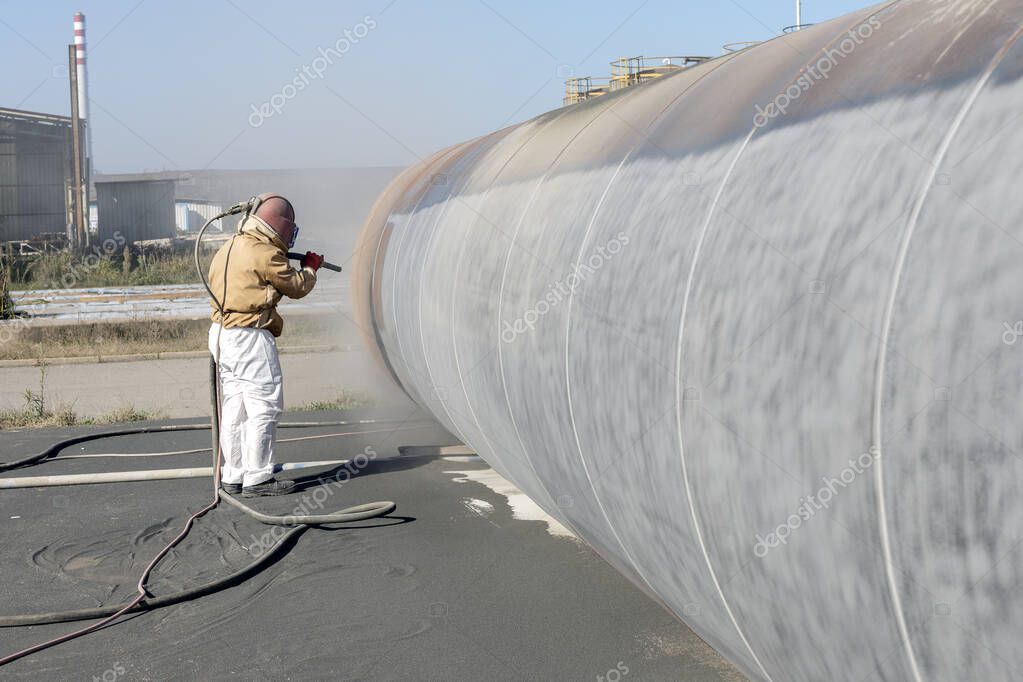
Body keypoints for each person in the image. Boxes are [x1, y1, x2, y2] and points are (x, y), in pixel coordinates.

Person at [206, 193, 324, 497]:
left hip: (221, 335)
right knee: (264, 404)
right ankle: (258, 477)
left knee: (235, 407)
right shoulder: (263, 252)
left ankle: (234, 473)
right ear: (280, 226)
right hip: (249, 336)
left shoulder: (228, 247)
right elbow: (296, 286)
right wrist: (310, 268)